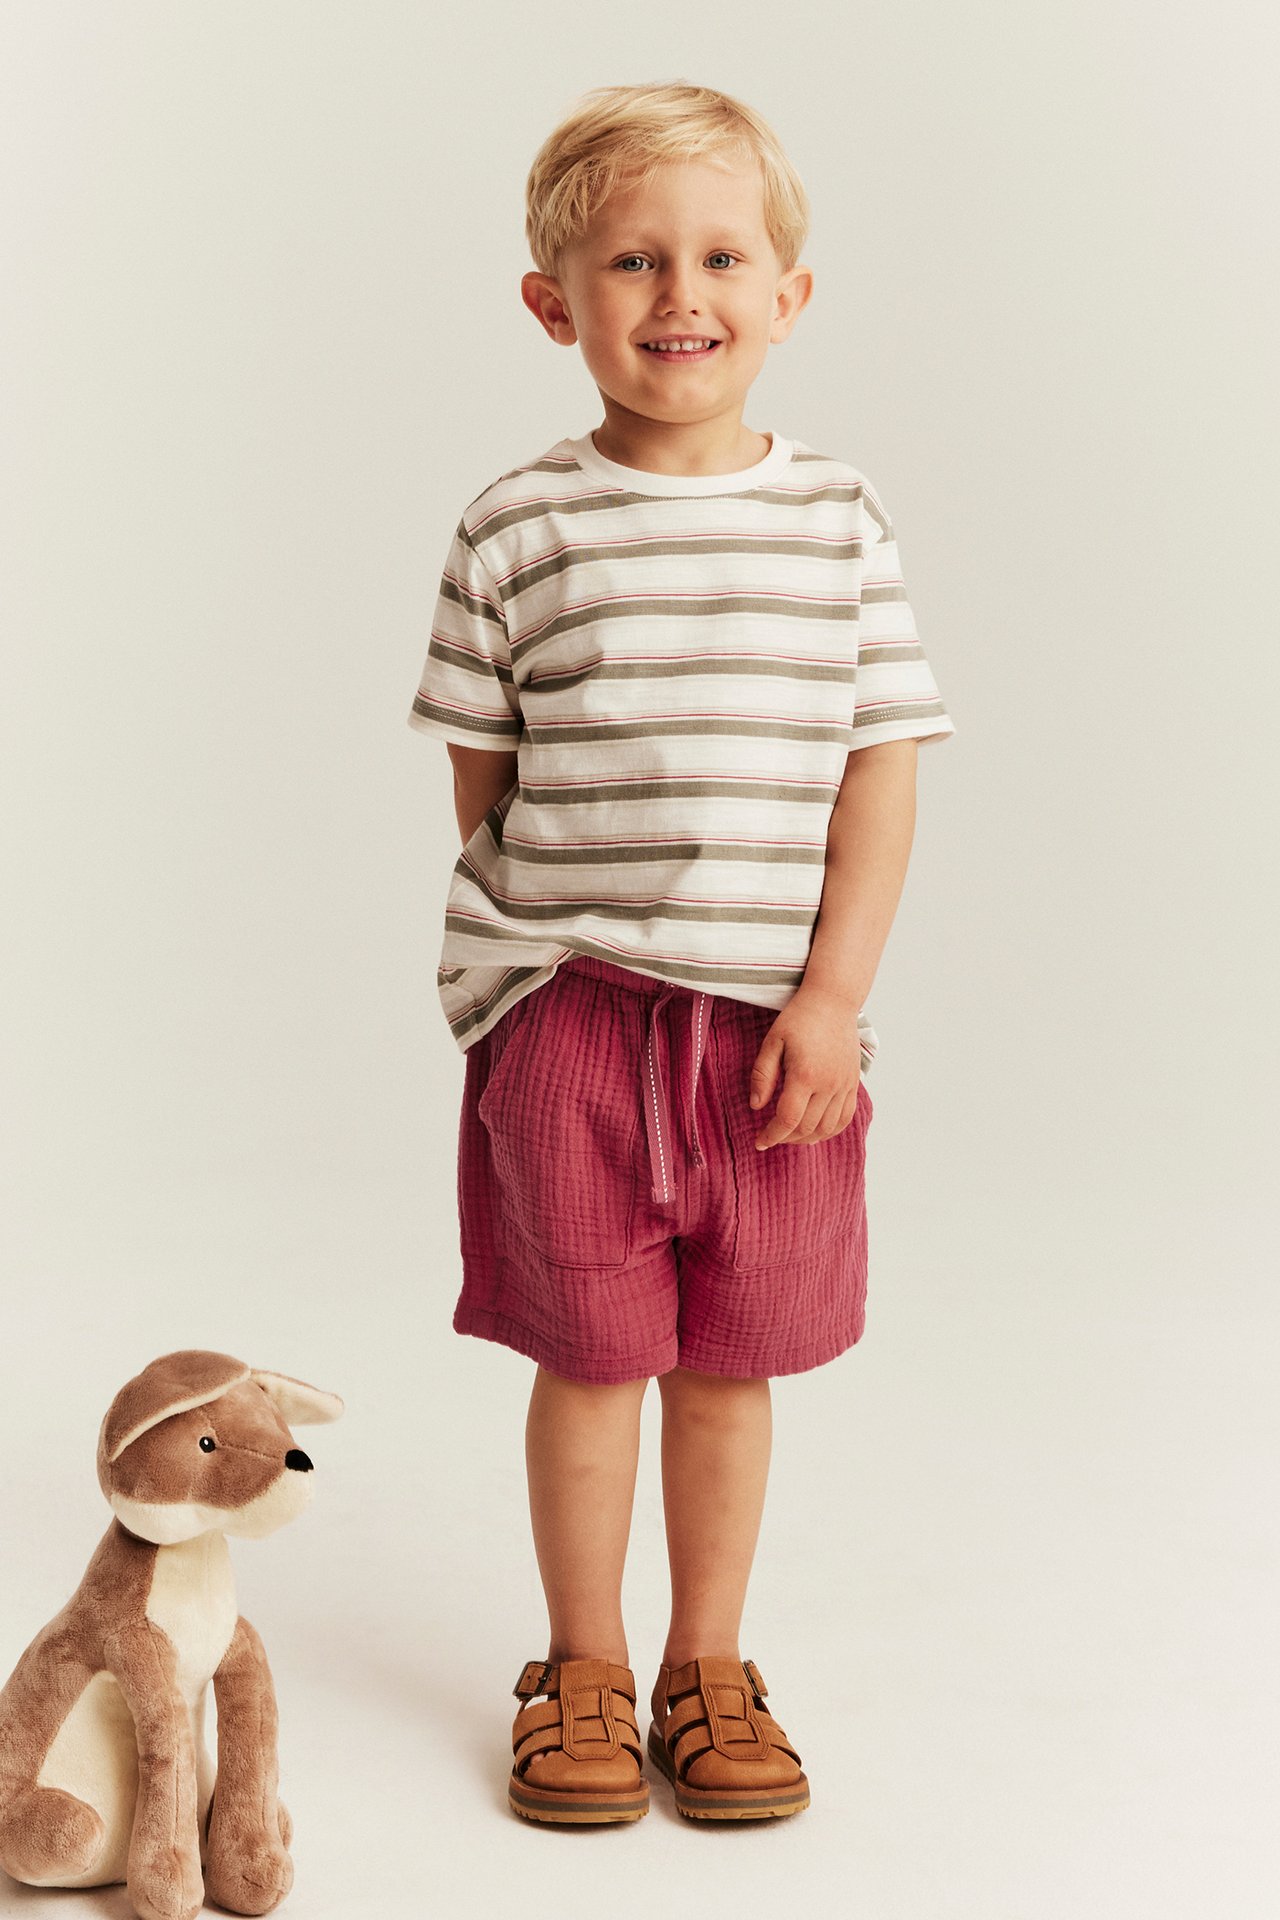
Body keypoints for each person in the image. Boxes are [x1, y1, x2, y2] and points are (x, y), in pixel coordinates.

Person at [406, 80, 954, 1827]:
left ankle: (710, 1664)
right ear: (552, 303)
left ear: (788, 296)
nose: (677, 295)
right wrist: (532, 977)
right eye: (630, 261)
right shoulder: (518, 527)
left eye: (720, 256)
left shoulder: (839, 520)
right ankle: (581, 1667)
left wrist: (835, 1000)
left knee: (732, 1368)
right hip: (574, 1022)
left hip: (776, 1037)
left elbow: (881, 771)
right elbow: (484, 778)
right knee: (591, 1365)